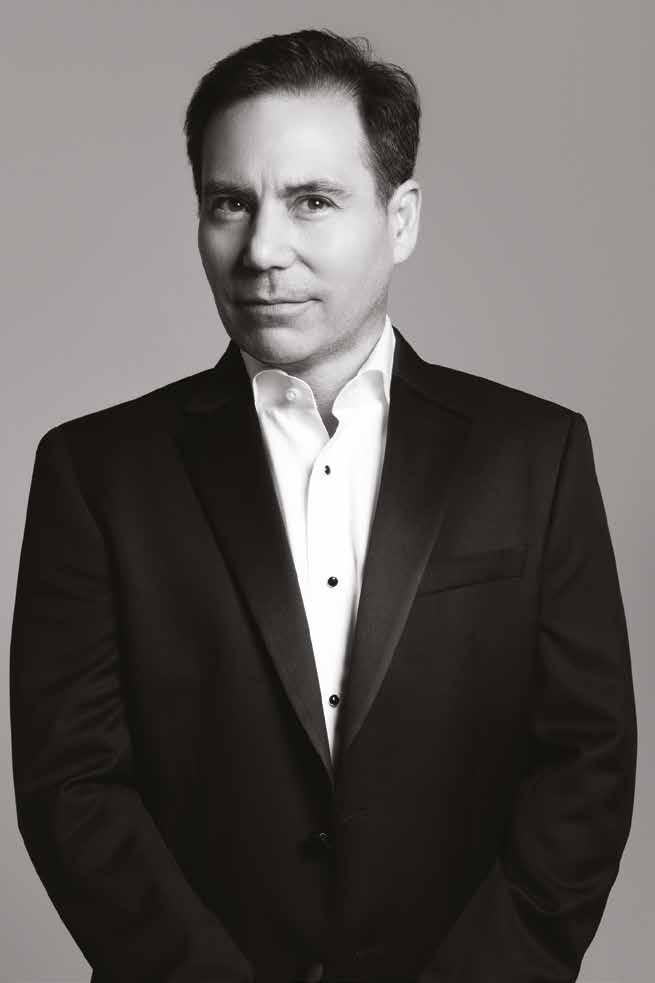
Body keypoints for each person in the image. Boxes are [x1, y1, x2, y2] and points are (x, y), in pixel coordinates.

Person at [10, 28, 637, 983]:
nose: (262, 249)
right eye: (229, 203)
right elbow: (71, 784)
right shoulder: (95, 471)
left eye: (312, 200)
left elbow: (587, 759)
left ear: (400, 219)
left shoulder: (534, 454)